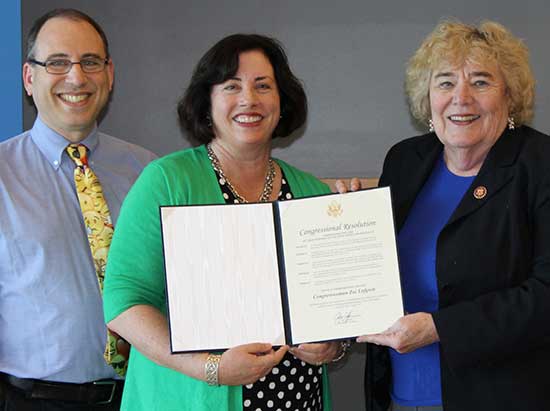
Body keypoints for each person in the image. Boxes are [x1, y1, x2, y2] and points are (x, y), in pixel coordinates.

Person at [103, 34, 349, 411]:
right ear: (207, 103)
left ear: (282, 103)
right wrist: (211, 367)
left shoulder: (311, 192)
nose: (249, 99)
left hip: (297, 399)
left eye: (263, 86)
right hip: (190, 396)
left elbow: (335, 309)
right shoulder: (166, 181)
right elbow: (124, 302)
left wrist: (334, 344)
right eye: (231, 86)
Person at [355, 20, 550, 411]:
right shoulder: (405, 161)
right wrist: (344, 222)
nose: (461, 97)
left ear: (509, 97)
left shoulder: (539, 164)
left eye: (480, 82)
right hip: (401, 393)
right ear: (427, 99)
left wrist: (440, 328)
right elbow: (375, 272)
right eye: (445, 82)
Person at [0, 8, 156, 410]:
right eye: (57, 62)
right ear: (29, 78)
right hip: (32, 400)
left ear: (109, 74)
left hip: (142, 394)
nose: (76, 77)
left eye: (90, 62)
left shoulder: (149, 173)